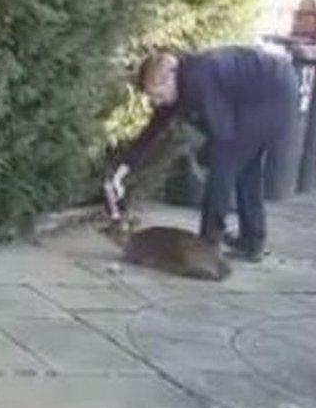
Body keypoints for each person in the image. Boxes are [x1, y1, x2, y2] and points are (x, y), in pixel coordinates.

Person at [104, 43, 297, 262]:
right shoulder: (179, 85)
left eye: (157, 95)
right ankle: (251, 241)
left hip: (272, 90)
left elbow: (222, 138)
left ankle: (209, 243)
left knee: (225, 161)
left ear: (169, 79)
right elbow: (151, 133)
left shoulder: (199, 80)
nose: (156, 103)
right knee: (244, 164)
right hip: (273, 85)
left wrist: (207, 157)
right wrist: (120, 172)